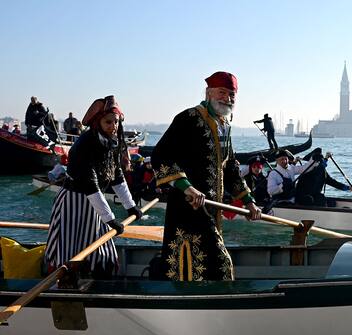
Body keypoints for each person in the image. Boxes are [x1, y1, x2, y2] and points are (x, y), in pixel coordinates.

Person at [152, 71, 262, 282]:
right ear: (209, 93)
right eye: (222, 93)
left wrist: (249, 202)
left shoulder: (225, 127)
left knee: (207, 264)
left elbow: (230, 168)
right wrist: (188, 187)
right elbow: (161, 156)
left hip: (213, 208)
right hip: (188, 205)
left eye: (231, 94)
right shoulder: (188, 118)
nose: (227, 98)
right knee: (216, 263)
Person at [45, 96, 143, 282]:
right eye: (108, 122)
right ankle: (65, 282)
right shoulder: (84, 145)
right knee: (70, 248)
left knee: (99, 249)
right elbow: (90, 184)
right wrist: (110, 219)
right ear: (97, 122)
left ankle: (94, 278)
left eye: (116, 122)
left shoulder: (111, 143)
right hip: (73, 204)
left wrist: (130, 206)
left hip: (94, 204)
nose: (113, 126)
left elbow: (116, 177)